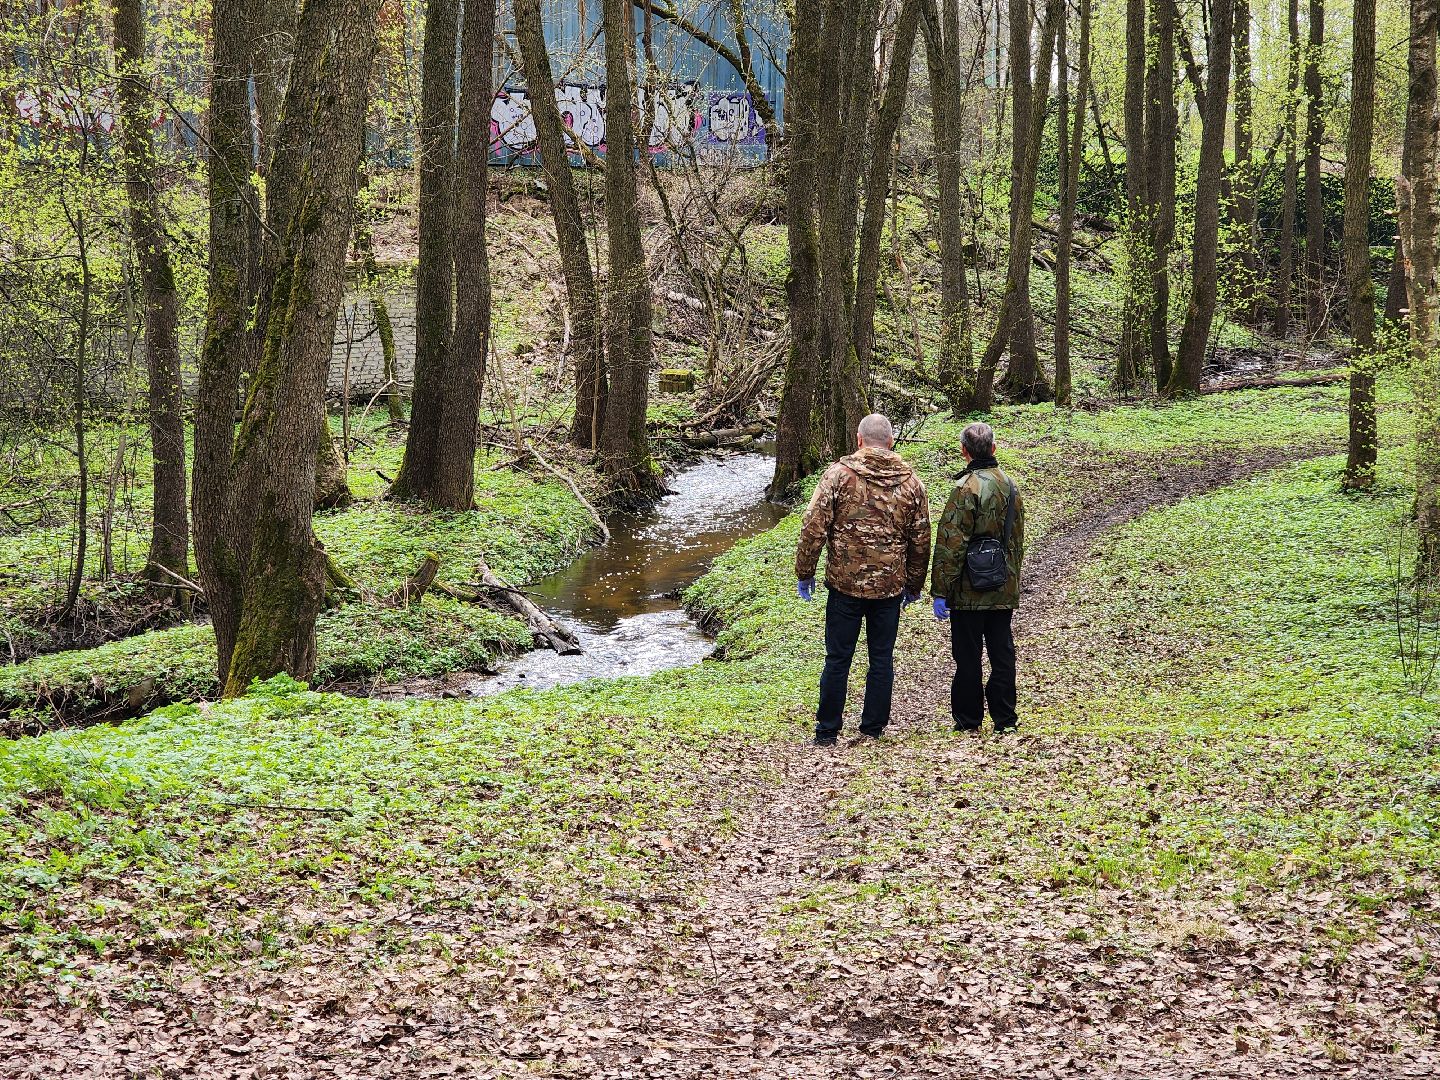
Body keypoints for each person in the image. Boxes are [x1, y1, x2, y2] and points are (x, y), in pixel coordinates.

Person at [795, 413, 931, 746]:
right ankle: (872, 728)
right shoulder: (912, 484)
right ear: (891, 441)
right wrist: (913, 585)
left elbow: (814, 526)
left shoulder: (838, 476)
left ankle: (827, 731)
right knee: (881, 658)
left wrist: (805, 571)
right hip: (889, 588)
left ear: (859, 440)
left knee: (838, 658)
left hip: (845, 585)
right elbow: (921, 539)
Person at [930, 421, 1026, 734]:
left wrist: (941, 590)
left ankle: (969, 720)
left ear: (964, 452)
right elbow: (1016, 540)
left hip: (968, 592)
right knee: (1002, 652)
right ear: (993, 449)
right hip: (1001, 585)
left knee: (967, 656)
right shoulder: (1010, 486)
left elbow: (950, 543)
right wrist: (1011, 578)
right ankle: (1005, 718)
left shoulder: (965, 489)